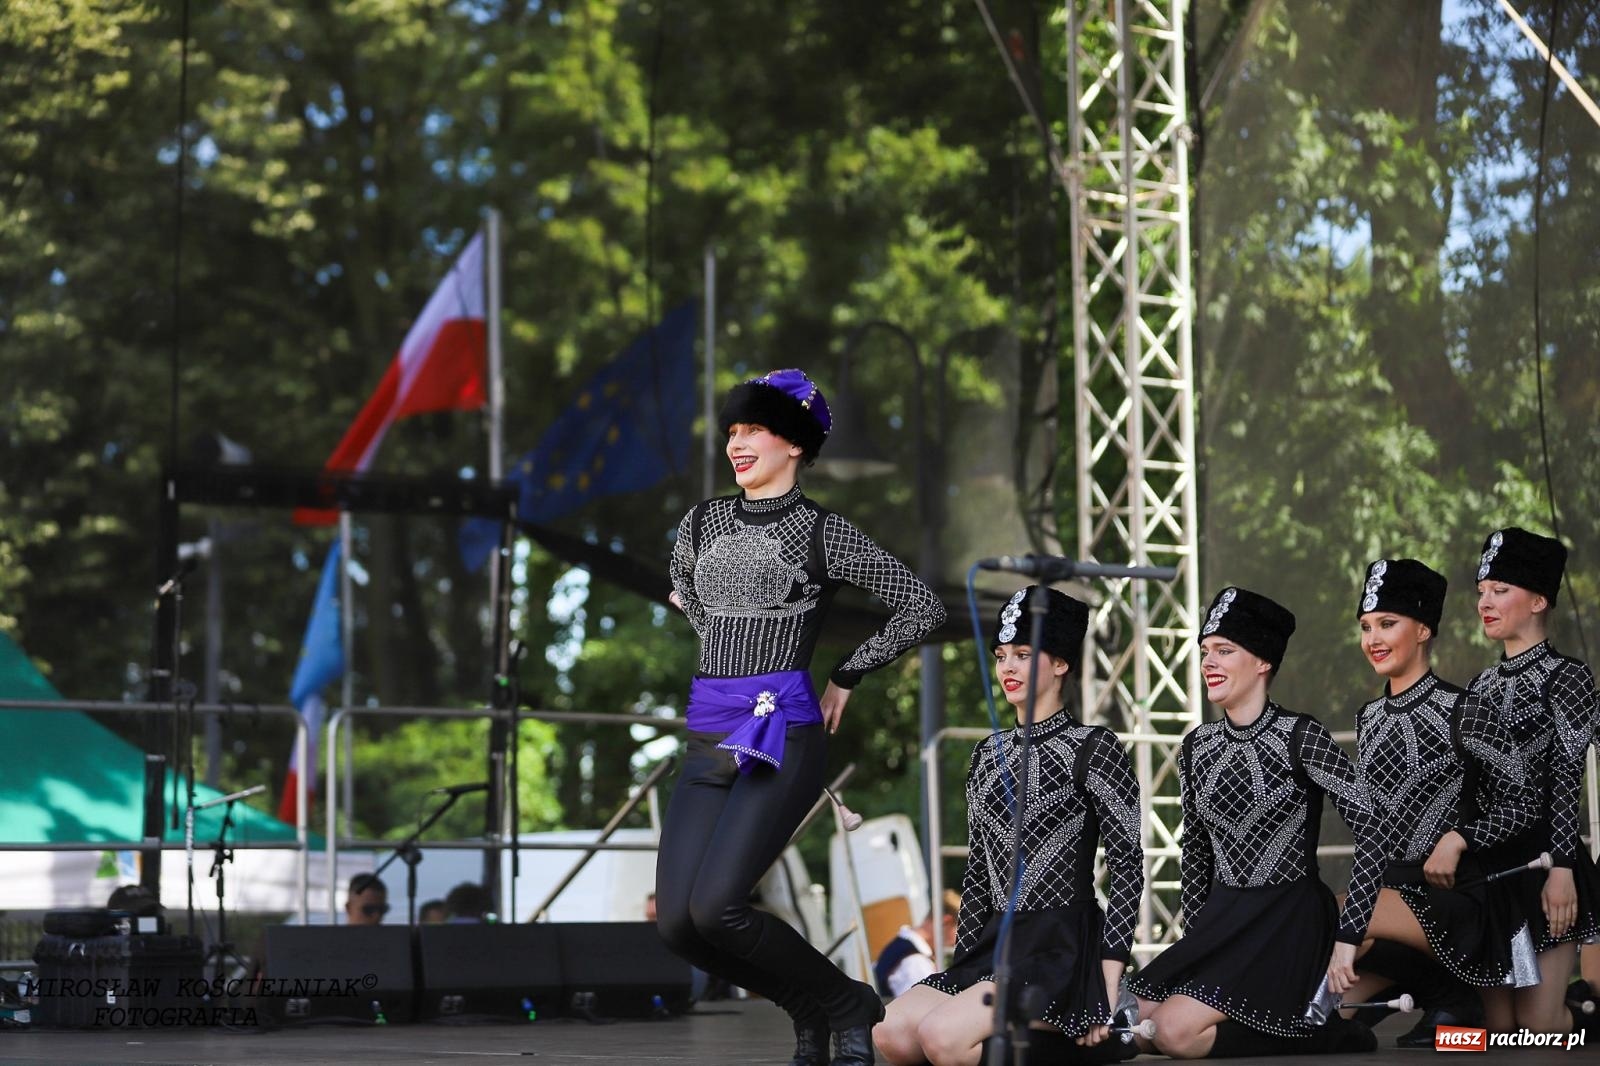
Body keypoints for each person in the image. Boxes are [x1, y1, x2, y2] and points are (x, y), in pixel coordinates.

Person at [656, 368, 946, 1066]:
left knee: (717, 907)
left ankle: (848, 1003)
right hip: (708, 734)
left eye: (754, 429)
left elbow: (922, 606)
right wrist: (714, 625)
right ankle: (807, 1004)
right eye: (732, 431)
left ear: (794, 444)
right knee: (679, 926)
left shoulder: (823, 531)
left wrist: (846, 673)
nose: (737, 443)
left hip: (780, 734)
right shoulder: (700, 523)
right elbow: (689, 597)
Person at [874, 587, 1144, 1066]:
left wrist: (1106, 982)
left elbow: (1128, 867)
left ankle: (1098, 1033)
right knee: (891, 1033)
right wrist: (962, 968)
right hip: (995, 946)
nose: (1007, 668)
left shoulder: (1094, 747)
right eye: (1001, 656)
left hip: (1062, 951)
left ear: (1060, 663)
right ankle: (1063, 1046)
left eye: (1023, 654)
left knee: (942, 1038)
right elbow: (978, 875)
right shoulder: (986, 754)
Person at [1125, 586, 1384, 1057]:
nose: (1208, 662)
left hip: (1288, 920)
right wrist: (1198, 940)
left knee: (1171, 1033)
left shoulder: (1301, 735)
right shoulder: (1197, 746)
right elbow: (1196, 852)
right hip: (1224, 920)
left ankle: (1324, 1034)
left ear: (1262, 661)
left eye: (1224, 651)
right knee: (1130, 1021)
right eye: (1205, 651)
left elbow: (1372, 830)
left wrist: (1349, 935)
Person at [1339, 558, 1538, 1046]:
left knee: (1326, 911)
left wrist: (1458, 838)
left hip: (1453, 899)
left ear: (1424, 629)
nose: (1373, 639)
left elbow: (1526, 803)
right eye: (1366, 627)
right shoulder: (1368, 717)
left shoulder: (1465, 709)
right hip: (1390, 895)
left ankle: (1462, 998)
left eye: (1387, 624)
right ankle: (1441, 990)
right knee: (1328, 1019)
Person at [1465, 527, 1600, 1035]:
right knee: (1498, 1033)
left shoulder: (1569, 676)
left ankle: (1588, 1013)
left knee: (1538, 1027)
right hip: (1490, 867)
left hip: (1547, 859)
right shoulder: (1479, 685)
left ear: (1539, 600)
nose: (1485, 603)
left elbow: (1567, 774)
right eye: (1481, 591)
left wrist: (1562, 868)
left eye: (1500, 591)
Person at [873, 891, 960, 1001]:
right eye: (959, 931)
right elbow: (925, 1007)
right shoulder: (915, 962)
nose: (957, 941)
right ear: (945, 922)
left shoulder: (903, 945)